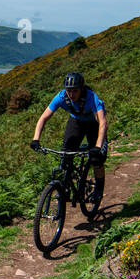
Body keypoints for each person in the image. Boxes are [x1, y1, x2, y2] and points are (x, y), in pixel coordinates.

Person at [30, 72, 108, 208]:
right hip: (76, 121)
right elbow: (43, 118)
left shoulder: (91, 98)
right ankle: (65, 186)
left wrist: (97, 147)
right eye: (69, 91)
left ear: (81, 89)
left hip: (93, 124)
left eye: (75, 91)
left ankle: (99, 189)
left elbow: (102, 123)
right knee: (65, 155)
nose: (71, 94)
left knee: (97, 159)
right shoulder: (61, 97)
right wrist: (36, 139)